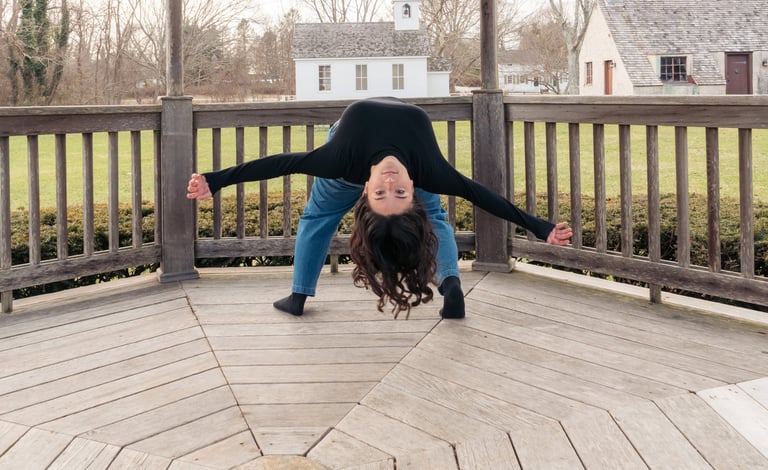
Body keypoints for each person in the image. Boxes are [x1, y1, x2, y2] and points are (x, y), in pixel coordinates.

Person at [186, 96, 572, 318]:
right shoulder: (428, 172)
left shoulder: (340, 161)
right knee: (434, 216)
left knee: (318, 216)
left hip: (350, 151)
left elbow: (281, 164)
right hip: (390, 152)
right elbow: (480, 194)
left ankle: (298, 296)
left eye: (382, 194)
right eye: (398, 193)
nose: (389, 183)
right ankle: (450, 283)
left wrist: (215, 180)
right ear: (412, 189)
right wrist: (541, 227)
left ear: (365, 191)